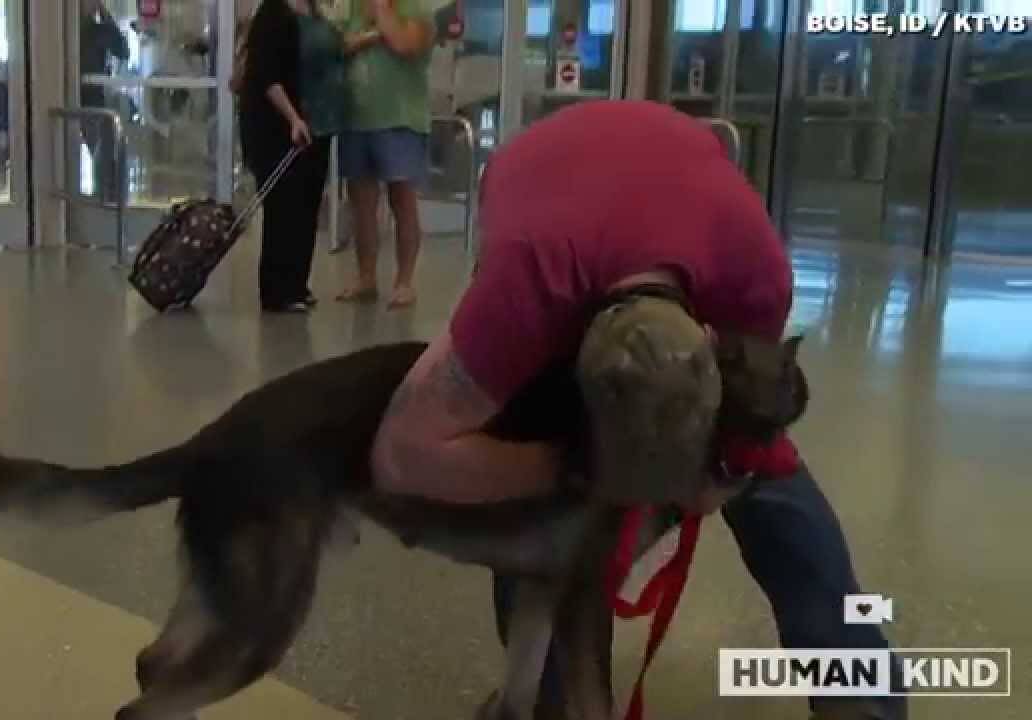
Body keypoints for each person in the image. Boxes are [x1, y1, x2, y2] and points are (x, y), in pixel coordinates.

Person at [369, 101, 904, 720]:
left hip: (662, 192)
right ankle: (547, 694)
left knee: (783, 506)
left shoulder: (755, 277)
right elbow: (401, 451)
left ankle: (862, 697)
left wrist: (719, 476)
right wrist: (566, 472)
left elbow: (754, 430)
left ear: (711, 342)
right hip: (543, 193)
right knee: (531, 509)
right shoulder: (520, 294)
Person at [239, 0, 348, 312]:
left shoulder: (316, 14)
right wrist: (292, 118)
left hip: (317, 123)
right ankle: (277, 289)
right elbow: (267, 75)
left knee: (307, 204)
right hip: (280, 127)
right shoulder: (273, 14)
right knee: (283, 207)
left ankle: (297, 283)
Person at [335, 0, 434, 309]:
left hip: (400, 119)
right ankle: (366, 277)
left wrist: (379, 12)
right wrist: (369, 36)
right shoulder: (350, 9)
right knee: (361, 204)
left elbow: (404, 44)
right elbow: (339, 48)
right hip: (356, 119)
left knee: (402, 200)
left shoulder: (416, 9)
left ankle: (404, 282)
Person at [79, 0, 129, 201]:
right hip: (81, 97)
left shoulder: (98, 31)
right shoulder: (70, 31)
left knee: (102, 153)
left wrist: (105, 14)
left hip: (93, 99)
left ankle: (106, 197)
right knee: (99, 151)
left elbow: (123, 51)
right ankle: (105, 196)